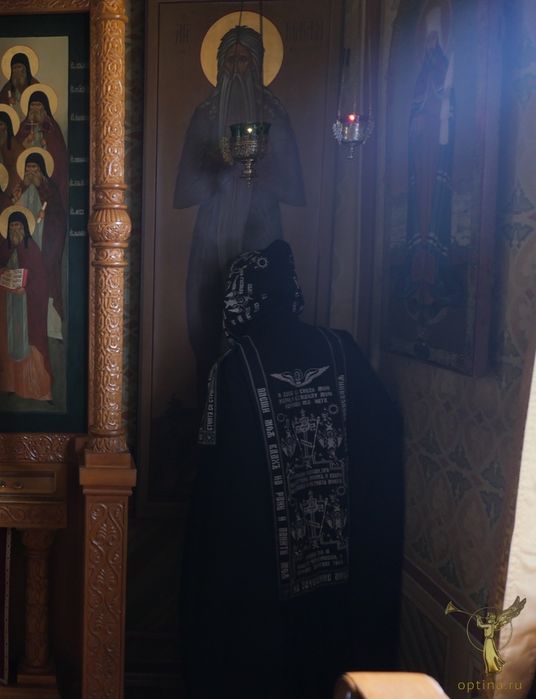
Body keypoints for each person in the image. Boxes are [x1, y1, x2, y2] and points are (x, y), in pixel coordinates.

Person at [181, 240, 403, 698]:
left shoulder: (233, 368)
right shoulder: (342, 349)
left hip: (261, 586)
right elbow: (383, 435)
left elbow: (214, 480)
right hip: (343, 585)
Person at [173, 24, 305, 401]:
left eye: (245, 60)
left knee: (263, 316)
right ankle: (207, 401)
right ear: (217, 66)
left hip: (260, 231)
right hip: (212, 233)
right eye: (229, 61)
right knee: (206, 315)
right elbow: (183, 191)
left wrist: (260, 168)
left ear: (259, 64)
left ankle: (257, 402)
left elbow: (294, 188)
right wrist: (217, 169)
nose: (236, 69)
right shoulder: (205, 114)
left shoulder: (273, 112)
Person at [400, 5, 458, 325]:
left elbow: (448, 107)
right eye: (427, 39)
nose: (431, 44)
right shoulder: (423, 73)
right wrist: (417, 122)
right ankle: (417, 274)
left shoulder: (446, 70)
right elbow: (414, 108)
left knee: (434, 209)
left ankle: (433, 276)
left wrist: (430, 116)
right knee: (420, 209)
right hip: (420, 153)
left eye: (435, 38)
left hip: (437, 152)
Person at [0, 207, 51, 401]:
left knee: (27, 341)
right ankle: (11, 384)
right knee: (9, 341)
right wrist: (3, 274)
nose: (15, 229)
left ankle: (32, 386)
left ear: (24, 227)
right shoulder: (5, 248)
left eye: (18, 225)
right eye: (12, 226)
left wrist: (26, 289)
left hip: (27, 304)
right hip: (8, 304)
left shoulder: (31, 248)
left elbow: (41, 278)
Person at [14, 149, 66, 332]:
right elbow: (13, 213)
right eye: (28, 167)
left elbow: (59, 218)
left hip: (45, 242)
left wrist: (47, 215)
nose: (30, 172)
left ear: (41, 169)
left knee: (45, 279)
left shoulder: (50, 189)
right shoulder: (21, 188)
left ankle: (50, 328)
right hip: (26, 244)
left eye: (34, 167)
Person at [16, 85, 68, 206]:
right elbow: (15, 152)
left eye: (38, 105)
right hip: (25, 171)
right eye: (32, 105)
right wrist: (24, 144)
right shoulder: (23, 127)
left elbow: (59, 155)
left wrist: (46, 147)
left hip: (45, 171)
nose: (34, 109)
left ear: (45, 107)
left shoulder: (52, 127)